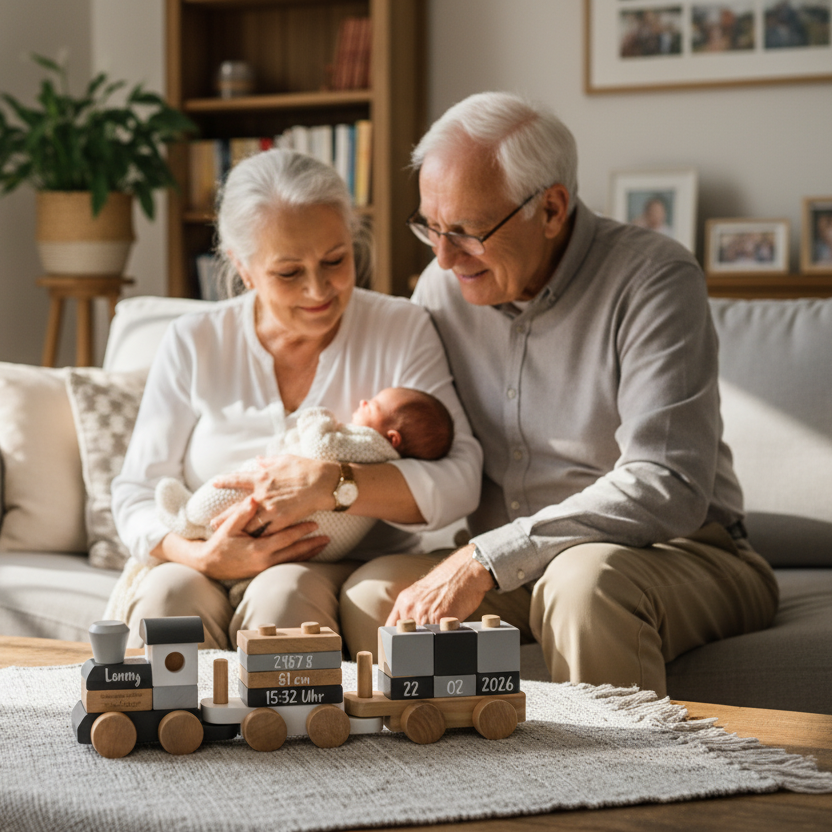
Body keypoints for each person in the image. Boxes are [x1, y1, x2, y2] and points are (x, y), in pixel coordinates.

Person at [338, 92, 779, 698]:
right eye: (431, 228)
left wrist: (487, 558)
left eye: (466, 232)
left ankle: (619, 764)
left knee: (582, 582)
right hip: (515, 567)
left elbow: (667, 483)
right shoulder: (442, 289)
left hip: (676, 551)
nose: (442, 257)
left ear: (550, 209)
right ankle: (461, 757)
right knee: (372, 593)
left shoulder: (654, 278)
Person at [110, 149, 481, 649]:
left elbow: (460, 478)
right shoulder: (194, 340)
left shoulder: (400, 328)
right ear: (243, 267)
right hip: (206, 555)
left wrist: (333, 485)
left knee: (283, 596)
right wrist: (203, 557)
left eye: (335, 260)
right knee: (167, 597)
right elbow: (136, 491)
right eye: (289, 272)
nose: (318, 289)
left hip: (340, 562)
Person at [149, 388, 454, 606]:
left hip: (276, 512)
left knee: (226, 492)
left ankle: (187, 518)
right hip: (303, 544)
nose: (363, 401)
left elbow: (321, 447)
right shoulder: (384, 465)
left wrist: (317, 418)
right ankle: (226, 567)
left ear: (392, 438)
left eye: (372, 406)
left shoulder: (369, 446)